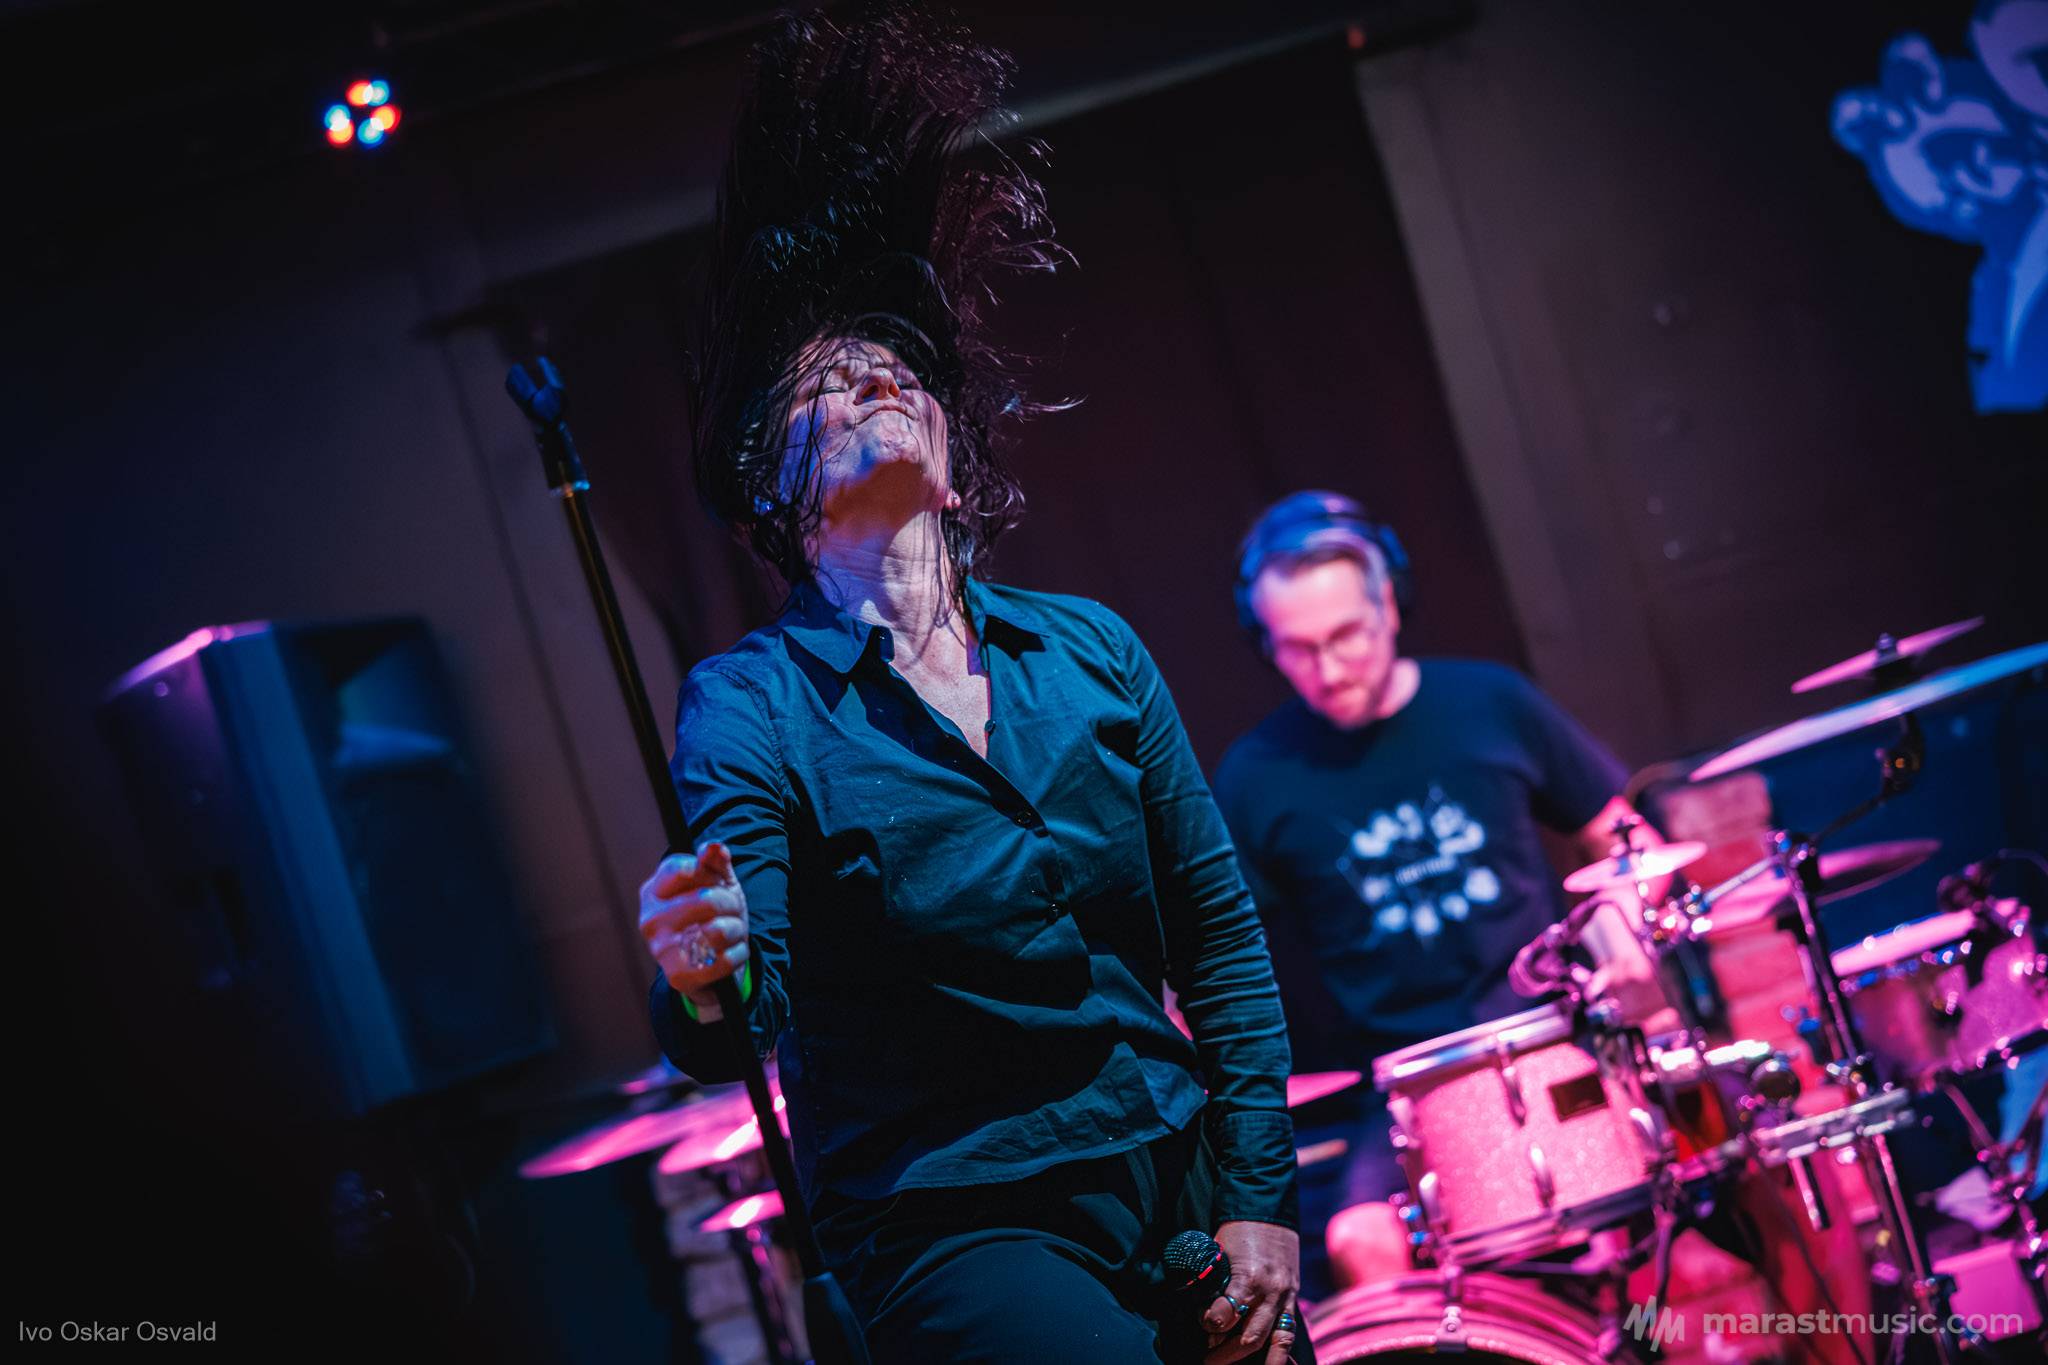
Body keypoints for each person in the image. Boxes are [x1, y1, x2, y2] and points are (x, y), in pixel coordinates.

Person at [636, 11, 1302, 1363]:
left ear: (948, 466)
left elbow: (1218, 938)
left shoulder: (1091, 651)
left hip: (1172, 1172)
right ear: (772, 494)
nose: (874, 380)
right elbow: (741, 1006)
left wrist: (1258, 1194)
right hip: (957, 1219)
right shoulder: (751, 707)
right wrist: (704, 978)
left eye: (893, 371)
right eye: (826, 385)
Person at [1211, 491, 1669, 1289]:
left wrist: (1626, 925)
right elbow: (1216, 953)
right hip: (1406, 1087)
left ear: (1390, 603)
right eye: (1299, 649)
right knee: (1361, 1245)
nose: (1329, 668)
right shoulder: (1258, 776)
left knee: (1631, 1210)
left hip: (1551, 1037)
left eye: (1347, 635)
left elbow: (1626, 840)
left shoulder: (1491, 702)